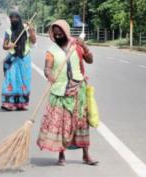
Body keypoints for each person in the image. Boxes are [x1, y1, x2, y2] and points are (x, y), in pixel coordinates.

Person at [37, 19, 98, 166]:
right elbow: (47, 68)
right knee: (62, 125)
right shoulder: (51, 51)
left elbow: (90, 60)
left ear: (66, 31)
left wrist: (84, 46)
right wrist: (49, 75)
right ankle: (61, 155)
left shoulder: (76, 46)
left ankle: (86, 155)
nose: (58, 35)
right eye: (55, 33)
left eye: (60, 32)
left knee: (82, 124)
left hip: (78, 90)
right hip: (60, 92)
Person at [1, 11, 36, 111]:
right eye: (12, 19)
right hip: (12, 57)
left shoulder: (26, 29)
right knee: (10, 79)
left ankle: (21, 103)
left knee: (24, 80)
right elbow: (4, 45)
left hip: (24, 58)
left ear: (19, 19)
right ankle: (8, 103)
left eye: (16, 18)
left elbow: (33, 41)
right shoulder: (8, 31)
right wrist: (9, 46)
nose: (14, 20)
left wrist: (31, 30)